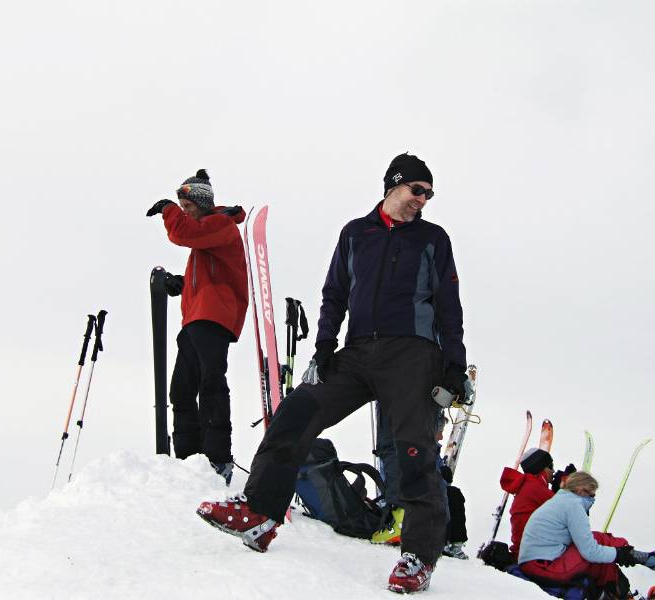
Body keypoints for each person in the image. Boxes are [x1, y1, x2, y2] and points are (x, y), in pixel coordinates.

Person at [197, 152, 468, 594]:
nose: (424, 200)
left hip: (413, 354)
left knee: (414, 450)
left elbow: (449, 307)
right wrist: (324, 347)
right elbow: (335, 292)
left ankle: (418, 556)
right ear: (393, 185)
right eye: (417, 190)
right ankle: (260, 514)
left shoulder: (433, 239)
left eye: (429, 194)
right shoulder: (355, 233)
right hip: (358, 351)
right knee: (298, 411)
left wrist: (454, 365)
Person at [146, 169, 248, 484]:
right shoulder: (209, 234)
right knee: (182, 388)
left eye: (188, 206)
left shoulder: (220, 224)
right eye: (181, 206)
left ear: (202, 205)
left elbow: (183, 234)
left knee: (210, 382)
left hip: (213, 316)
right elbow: (206, 273)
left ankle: (217, 458)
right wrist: (181, 284)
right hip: (196, 316)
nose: (185, 212)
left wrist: (167, 209)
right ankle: (189, 459)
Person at [518, 471, 655, 599]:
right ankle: (628, 583)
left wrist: (618, 552)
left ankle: (640, 559)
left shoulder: (563, 500)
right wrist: (619, 555)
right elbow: (589, 552)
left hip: (541, 560)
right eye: (591, 495)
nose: (593, 499)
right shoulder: (573, 506)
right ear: (580, 491)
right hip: (542, 566)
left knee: (598, 541)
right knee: (600, 560)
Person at [372, 409, 469, 561]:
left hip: (421, 491)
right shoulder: (417, 449)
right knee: (448, 493)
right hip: (410, 493)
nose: (442, 436)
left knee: (452, 493)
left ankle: (453, 541)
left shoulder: (432, 450)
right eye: (440, 432)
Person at [499, 447, 556, 560]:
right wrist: (571, 487)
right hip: (533, 555)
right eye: (551, 466)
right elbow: (569, 510)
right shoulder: (535, 488)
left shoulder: (528, 485)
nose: (553, 471)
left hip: (526, 550)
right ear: (541, 468)